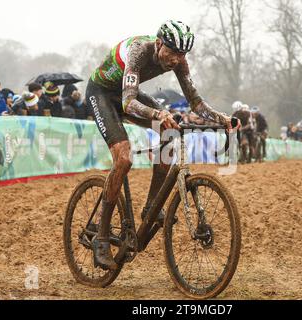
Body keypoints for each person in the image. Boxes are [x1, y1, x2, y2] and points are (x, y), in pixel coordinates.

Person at [86, 20, 238, 270]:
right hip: (102, 94)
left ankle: (151, 208)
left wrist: (223, 119)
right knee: (123, 158)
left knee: (170, 131)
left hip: (127, 94)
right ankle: (101, 237)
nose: (176, 59)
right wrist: (158, 115)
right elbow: (128, 103)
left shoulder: (179, 61)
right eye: (172, 52)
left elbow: (196, 104)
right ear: (158, 44)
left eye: (182, 54)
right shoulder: (138, 51)